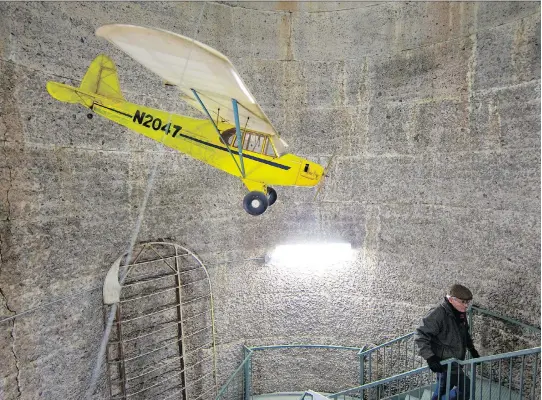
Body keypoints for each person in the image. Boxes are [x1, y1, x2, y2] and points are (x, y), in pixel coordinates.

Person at [414, 284, 480, 400]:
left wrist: (472, 349)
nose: (466, 306)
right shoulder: (438, 312)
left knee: (442, 389)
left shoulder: (459, 312)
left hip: (454, 361)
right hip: (445, 363)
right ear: (451, 299)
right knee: (466, 388)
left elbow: (464, 332)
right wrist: (430, 358)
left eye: (468, 302)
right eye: (463, 302)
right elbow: (420, 334)